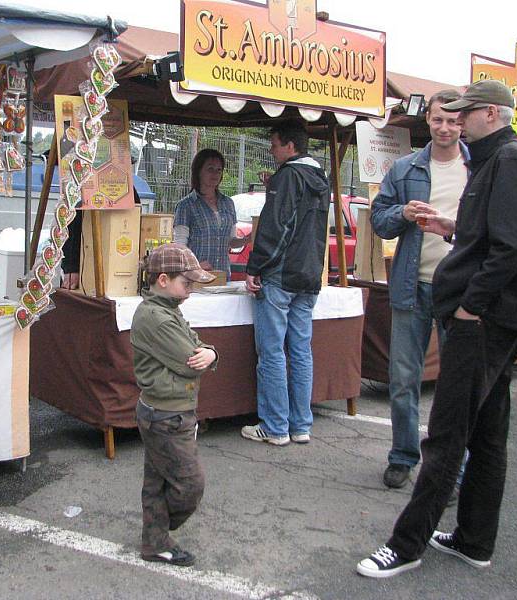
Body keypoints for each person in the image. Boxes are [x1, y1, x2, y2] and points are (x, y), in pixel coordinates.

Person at [357, 79, 517, 578]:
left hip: (483, 319)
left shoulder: (507, 160)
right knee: (487, 432)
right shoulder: (498, 160)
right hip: (494, 316)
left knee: (447, 434)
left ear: (490, 113)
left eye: (464, 113)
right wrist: (453, 229)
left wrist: (471, 307)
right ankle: (474, 538)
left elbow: (515, 247)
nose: (456, 121)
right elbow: (497, 234)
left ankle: (407, 544)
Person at [371, 89, 469, 490]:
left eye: (453, 120)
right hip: (411, 288)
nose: (445, 127)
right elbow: (380, 219)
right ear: (427, 121)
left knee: (456, 384)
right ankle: (403, 456)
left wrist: (453, 226)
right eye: (437, 119)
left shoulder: (477, 169)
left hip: (459, 290)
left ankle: (450, 467)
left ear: (463, 122)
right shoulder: (405, 168)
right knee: (403, 379)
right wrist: (403, 213)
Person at [241, 119, 330, 446]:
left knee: (273, 352)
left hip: (280, 275)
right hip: (309, 275)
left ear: (290, 146)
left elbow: (276, 227)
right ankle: (300, 425)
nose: (271, 149)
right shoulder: (320, 177)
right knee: (301, 350)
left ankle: (275, 426)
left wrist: (256, 267)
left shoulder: (288, 176)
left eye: (275, 144)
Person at [130, 243, 218, 567]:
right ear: (163, 280)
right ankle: (159, 534)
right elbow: (189, 361)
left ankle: (155, 542)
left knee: (158, 482)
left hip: (166, 412)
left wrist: (210, 352)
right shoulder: (157, 316)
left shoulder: (167, 309)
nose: (190, 290)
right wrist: (208, 355)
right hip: (167, 416)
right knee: (189, 484)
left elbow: (197, 345)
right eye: (187, 283)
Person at [173, 149, 250, 278]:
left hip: (224, 276)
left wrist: (249, 239)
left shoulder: (228, 203)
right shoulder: (186, 205)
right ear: (198, 171)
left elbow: (230, 241)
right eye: (210, 169)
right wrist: (195, 266)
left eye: (219, 170)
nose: (215, 173)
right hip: (197, 278)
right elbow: (179, 246)